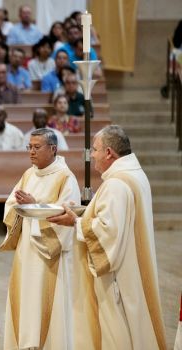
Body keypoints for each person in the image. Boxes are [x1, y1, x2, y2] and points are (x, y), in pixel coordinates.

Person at [47, 125, 167, 350]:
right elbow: (114, 217)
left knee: (117, 330)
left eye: (94, 150)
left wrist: (74, 221)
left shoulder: (116, 184)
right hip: (133, 265)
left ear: (109, 153)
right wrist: (84, 211)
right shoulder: (135, 175)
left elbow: (107, 231)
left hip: (117, 276)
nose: (91, 155)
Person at [0, 128, 80, 349]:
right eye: (29, 147)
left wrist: (34, 205)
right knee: (26, 301)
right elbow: (11, 204)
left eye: (37, 147)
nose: (31, 153)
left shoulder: (66, 178)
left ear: (53, 149)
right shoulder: (29, 173)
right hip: (27, 251)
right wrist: (21, 207)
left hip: (48, 256)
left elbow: (67, 218)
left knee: (45, 305)